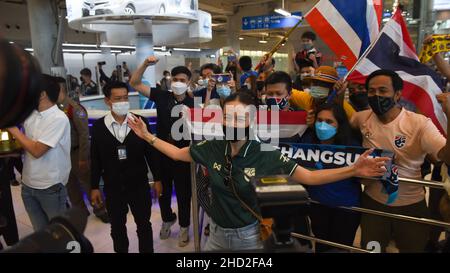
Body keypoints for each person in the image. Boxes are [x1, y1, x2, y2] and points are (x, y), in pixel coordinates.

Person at [127, 91, 389, 251]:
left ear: (251, 120)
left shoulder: (266, 153)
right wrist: (147, 136)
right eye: (228, 117)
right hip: (216, 236)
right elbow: (177, 153)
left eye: (240, 118)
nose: (232, 123)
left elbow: (310, 177)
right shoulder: (212, 147)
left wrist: (354, 169)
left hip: (248, 238)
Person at [350, 69, 450, 252]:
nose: (376, 95)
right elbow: (339, 124)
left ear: (397, 94)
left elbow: (445, 157)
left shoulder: (419, 123)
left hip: (411, 205)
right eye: (371, 91)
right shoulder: (362, 118)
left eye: (383, 90)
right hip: (373, 204)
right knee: (372, 249)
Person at [90, 81, 162, 253]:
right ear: (108, 101)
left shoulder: (139, 122)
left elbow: (150, 154)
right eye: (117, 98)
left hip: (139, 184)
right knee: (117, 227)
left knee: (144, 225)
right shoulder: (100, 126)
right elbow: (96, 158)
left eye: (125, 97)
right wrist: (94, 187)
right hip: (113, 186)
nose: (123, 101)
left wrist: (158, 179)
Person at [130, 56, 194, 247]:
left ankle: (184, 226)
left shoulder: (194, 102)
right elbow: (134, 83)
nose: (178, 83)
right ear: (170, 80)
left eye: (183, 80)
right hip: (161, 152)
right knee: (162, 191)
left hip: (184, 154)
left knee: (184, 194)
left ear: (189, 82)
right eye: (175, 79)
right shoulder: (161, 95)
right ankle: (168, 219)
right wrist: (145, 65)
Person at [6, 74, 71, 231]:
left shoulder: (58, 118)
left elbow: (37, 150)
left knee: (58, 233)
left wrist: (13, 128)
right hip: (28, 184)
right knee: (40, 232)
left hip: (50, 186)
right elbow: (28, 144)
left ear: (42, 94)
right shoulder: (31, 115)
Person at [301, 103, 362, 252]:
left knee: (340, 248)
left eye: (329, 122)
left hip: (346, 208)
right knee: (321, 246)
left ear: (339, 124)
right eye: (319, 120)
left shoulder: (352, 147)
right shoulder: (307, 142)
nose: (322, 125)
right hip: (317, 205)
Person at [54, 76, 109, 223]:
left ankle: (100, 209)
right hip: (62, 155)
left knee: (88, 183)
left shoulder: (74, 108)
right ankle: (80, 210)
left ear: (60, 89)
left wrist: (83, 158)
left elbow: (84, 135)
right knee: (70, 185)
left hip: (77, 152)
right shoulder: (53, 109)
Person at [289, 66, 356, 126]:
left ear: (332, 88)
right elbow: (287, 91)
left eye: (323, 84)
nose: (317, 87)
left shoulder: (342, 106)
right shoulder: (308, 99)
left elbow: (358, 122)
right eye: (315, 83)